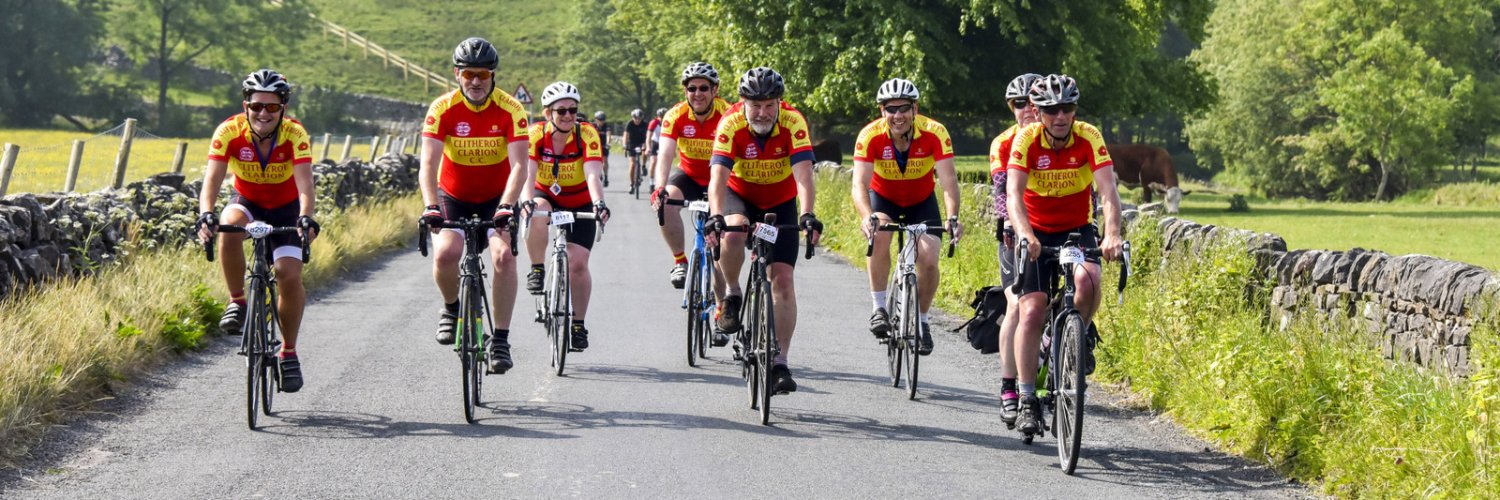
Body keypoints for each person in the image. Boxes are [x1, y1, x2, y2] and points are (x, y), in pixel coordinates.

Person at [1006, 74, 1125, 436]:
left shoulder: (1088, 136)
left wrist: (1113, 234)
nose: (1060, 116)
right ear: (1038, 112)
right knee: (1031, 310)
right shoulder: (1026, 139)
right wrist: (1025, 235)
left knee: (1089, 281)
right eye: (1051, 110)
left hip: (1076, 227)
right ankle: (1026, 398)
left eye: (1067, 108)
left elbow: (1107, 192)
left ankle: (1077, 338)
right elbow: (1013, 195)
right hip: (1036, 230)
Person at [196, 69, 320, 393]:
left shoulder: (295, 135)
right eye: (256, 106)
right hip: (248, 201)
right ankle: (237, 300)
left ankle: (288, 352)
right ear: (245, 105)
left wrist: (306, 218)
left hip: (286, 207)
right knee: (229, 224)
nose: (263, 113)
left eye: (272, 107)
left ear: (284, 109)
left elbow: (305, 184)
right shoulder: (228, 131)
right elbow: (212, 179)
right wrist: (205, 214)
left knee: (288, 274)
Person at [417, 37, 531, 375]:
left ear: (493, 75)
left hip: (498, 197)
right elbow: (427, 164)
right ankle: (451, 308)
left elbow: (520, 166)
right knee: (445, 254)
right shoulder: (442, 109)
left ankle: (501, 339)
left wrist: (507, 205)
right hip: (453, 194)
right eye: (469, 75)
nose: (476, 82)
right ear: (457, 75)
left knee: (502, 257)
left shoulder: (511, 109)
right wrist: (430, 206)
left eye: (482, 74)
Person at [706, 67, 821, 394]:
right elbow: (717, 178)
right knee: (733, 230)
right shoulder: (730, 123)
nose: (762, 112)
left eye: (769, 105)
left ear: (779, 103)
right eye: (755, 105)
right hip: (739, 195)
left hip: (780, 201)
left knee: (782, 280)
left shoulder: (793, 122)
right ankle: (732, 292)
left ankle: (780, 362)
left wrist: (809, 214)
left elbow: (804, 176)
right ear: (743, 102)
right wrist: (717, 215)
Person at [851, 78, 963, 356]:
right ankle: (879, 308)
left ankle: (922, 321)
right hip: (884, 199)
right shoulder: (870, 136)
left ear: (915, 109)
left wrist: (953, 217)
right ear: (882, 112)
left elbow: (949, 182)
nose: (898, 115)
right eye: (891, 109)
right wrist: (866, 216)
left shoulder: (935, 132)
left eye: (904, 108)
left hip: (921, 201)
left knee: (928, 258)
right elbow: (859, 184)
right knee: (879, 235)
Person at [522, 82, 610, 351]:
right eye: (561, 111)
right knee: (537, 212)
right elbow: (528, 173)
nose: (569, 116)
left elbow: (593, 174)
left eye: (573, 110)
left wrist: (598, 203)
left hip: (580, 199)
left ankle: (578, 325)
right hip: (546, 195)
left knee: (578, 263)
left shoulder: (587, 134)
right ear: (548, 113)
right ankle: (537, 269)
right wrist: (526, 201)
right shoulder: (535, 134)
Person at [650, 62, 731, 300]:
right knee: (666, 204)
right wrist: (659, 188)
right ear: (685, 91)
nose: (698, 94)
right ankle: (680, 261)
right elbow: (665, 154)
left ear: (714, 90)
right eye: (692, 88)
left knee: (719, 250)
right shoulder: (675, 115)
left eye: (704, 88)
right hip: (689, 175)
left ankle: (721, 307)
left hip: (722, 178)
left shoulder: (727, 114)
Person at [991, 72, 1040, 427]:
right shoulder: (1004, 143)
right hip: (1015, 232)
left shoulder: (1061, 137)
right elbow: (1001, 193)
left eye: (1033, 102)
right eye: (1019, 103)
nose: (1027, 109)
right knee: (1015, 305)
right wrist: (1012, 225)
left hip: (1057, 227)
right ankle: (1010, 387)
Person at [624, 109, 649, 190]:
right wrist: (625, 145)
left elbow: (648, 136)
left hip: (642, 142)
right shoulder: (630, 124)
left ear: (642, 118)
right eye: (635, 118)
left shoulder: (645, 124)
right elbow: (626, 135)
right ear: (633, 117)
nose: (637, 120)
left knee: (644, 152)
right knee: (632, 164)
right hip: (632, 143)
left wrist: (647, 145)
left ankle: (643, 166)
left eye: (639, 118)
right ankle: (631, 184)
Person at [646, 107, 666, 190]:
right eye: (660, 117)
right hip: (655, 142)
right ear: (657, 116)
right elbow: (648, 136)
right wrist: (648, 147)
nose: (661, 118)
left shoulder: (669, 122)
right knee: (653, 161)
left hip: (664, 144)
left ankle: (663, 183)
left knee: (664, 163)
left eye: (663, 116)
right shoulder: (654, 122)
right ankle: (651, 182)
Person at [592, 111, 613, 187]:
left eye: (603, 119)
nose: (602, 121)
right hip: (594, 146)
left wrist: (608, 143)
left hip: (604, 145)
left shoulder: (607, 126)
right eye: (600, 119)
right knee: (595, 161)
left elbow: (608, 135)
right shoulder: (592, 126)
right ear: (596, 119)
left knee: (605, 160)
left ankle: (606, 176)